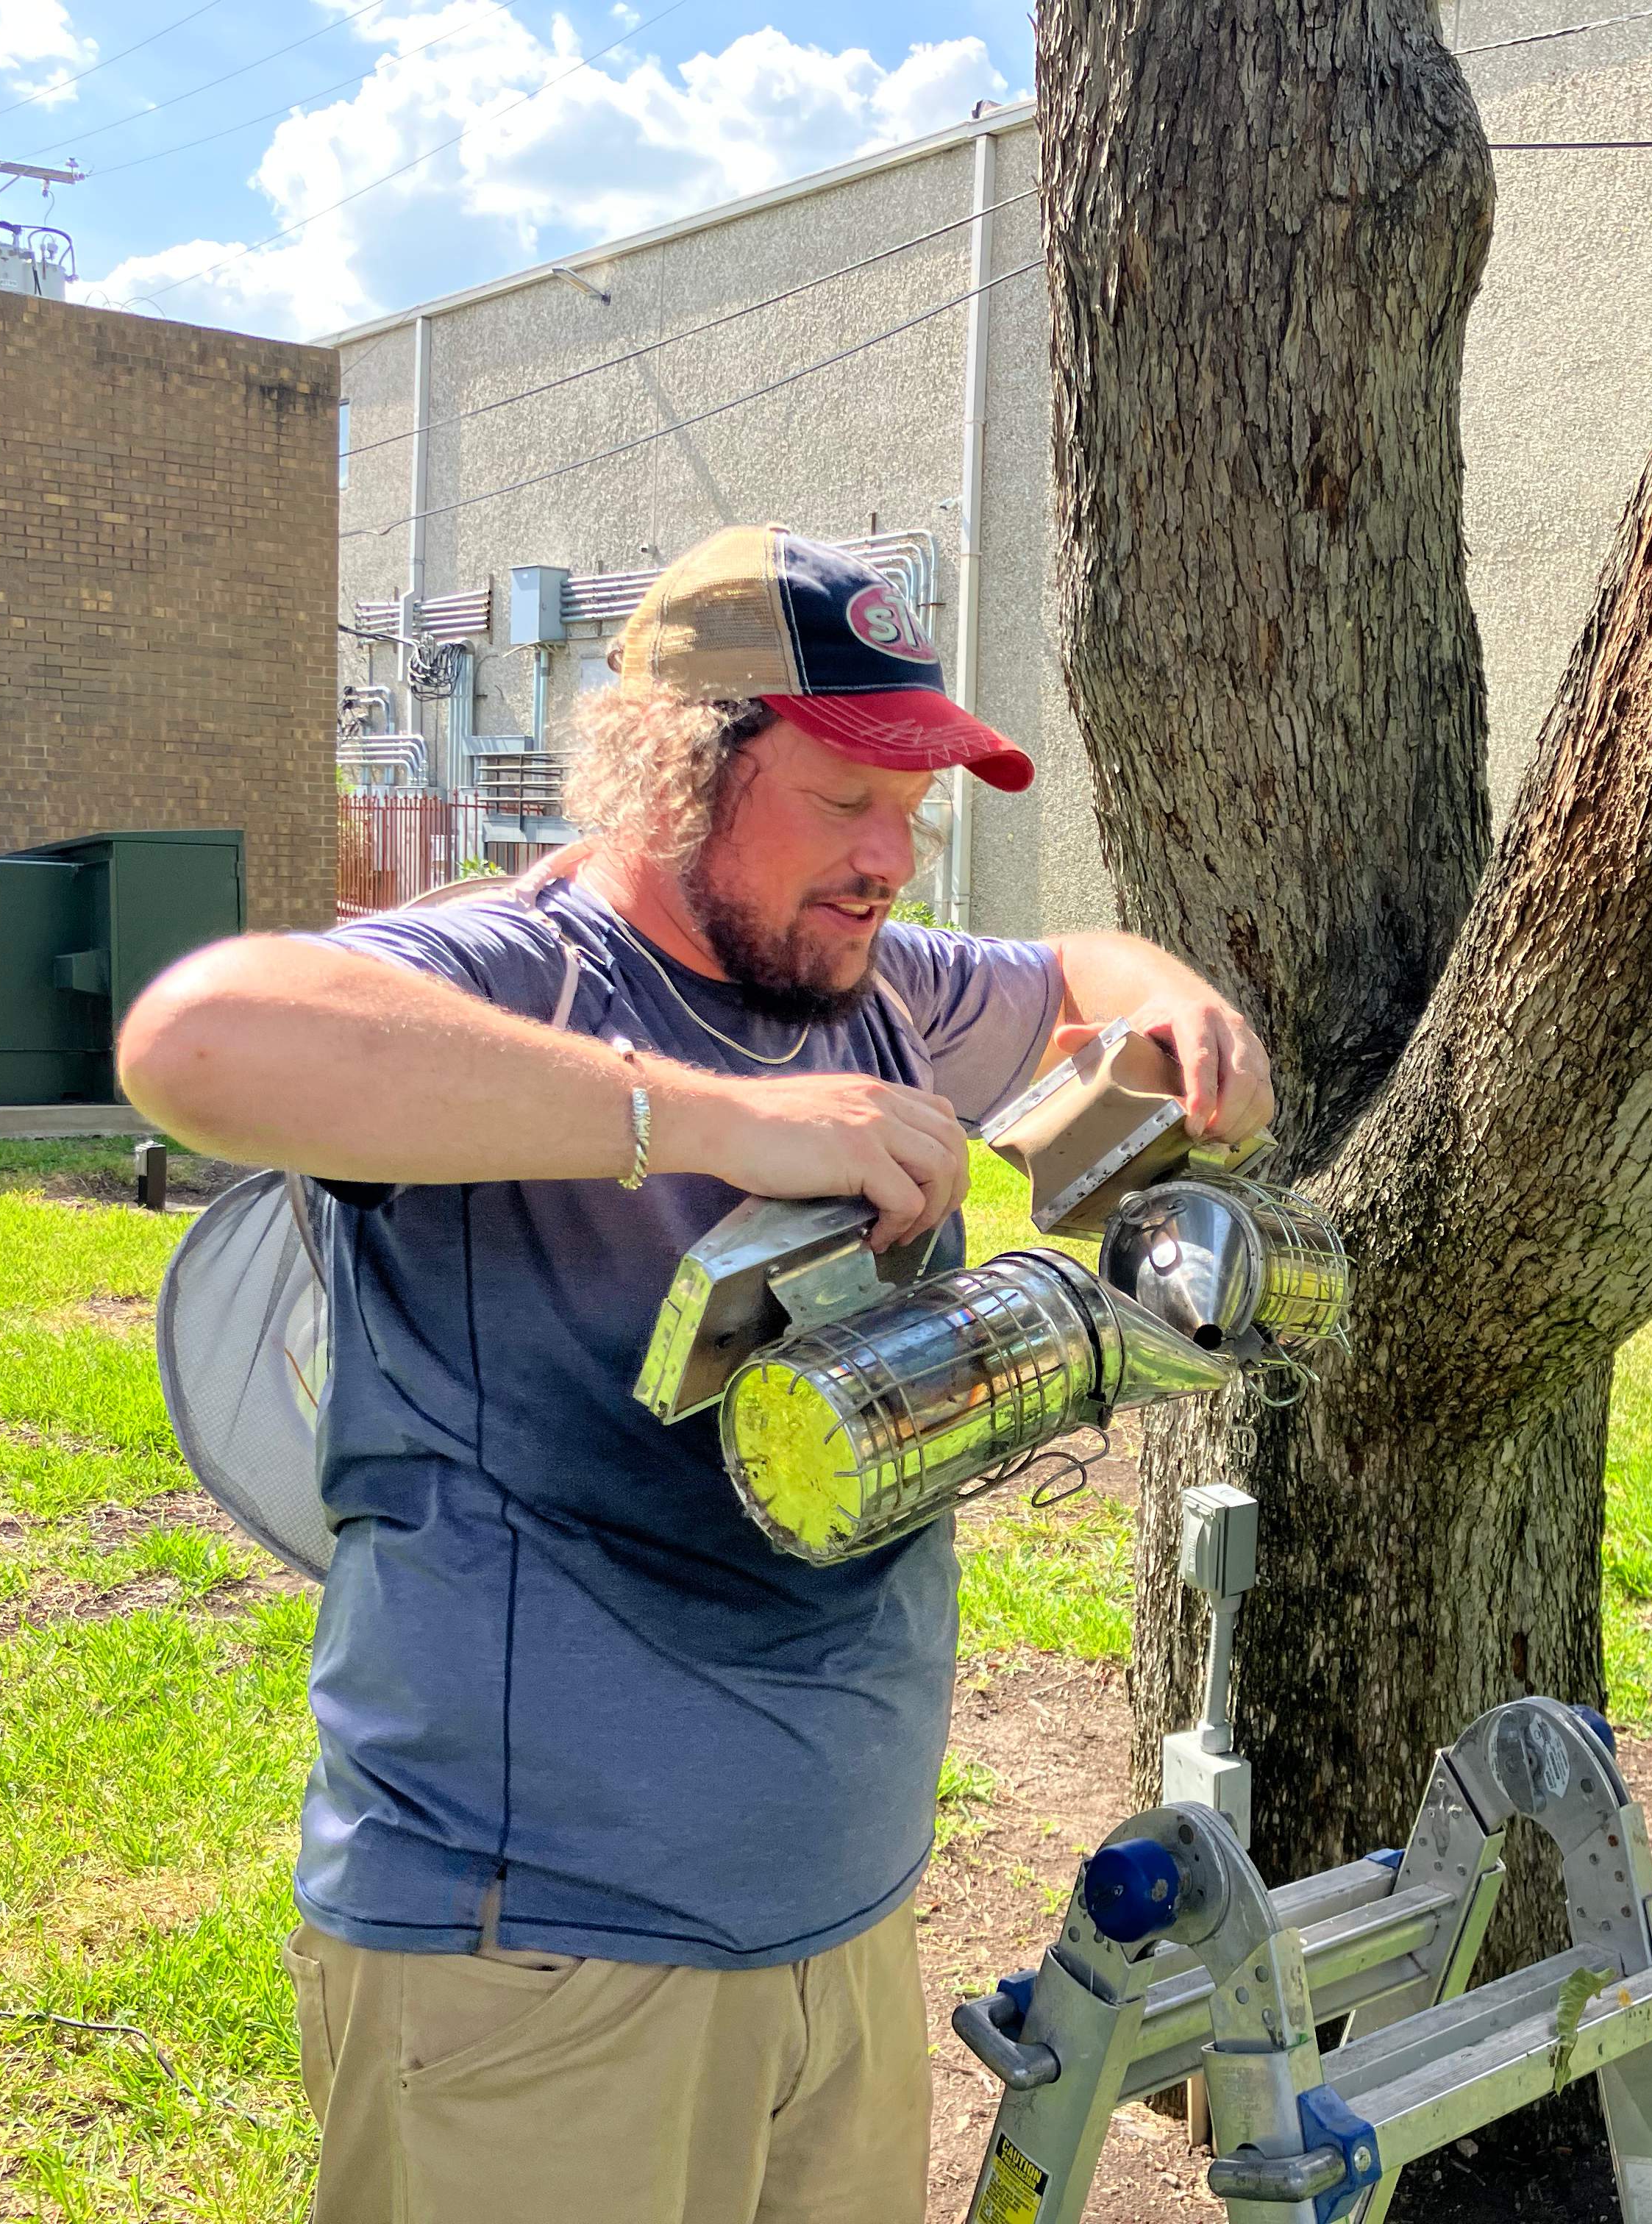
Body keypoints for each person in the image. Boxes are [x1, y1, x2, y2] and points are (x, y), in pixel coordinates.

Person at [118, 524, 1275, 2223]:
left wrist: (1170, 1002)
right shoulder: (520, 975)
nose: (890, 860)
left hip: (842, 1920)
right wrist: (711, 1120)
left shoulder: (868, 977)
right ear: (674, 771)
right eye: (845, 797)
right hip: (541, 1965)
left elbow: (1075, 980)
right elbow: (198, 1038)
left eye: (914, 808)